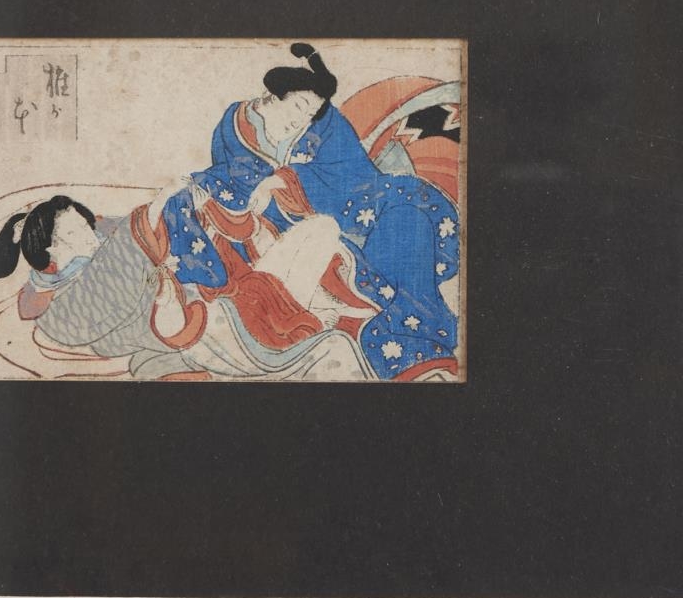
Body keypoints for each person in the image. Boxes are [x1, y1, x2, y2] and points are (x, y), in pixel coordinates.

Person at [157, 43, 461, 381]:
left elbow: (351, 175)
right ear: (271, 95)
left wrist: (284, 180)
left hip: (347, 205)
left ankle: (412, 331)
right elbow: (228, 176)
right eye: (299, 106)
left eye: (309, 114)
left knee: (407, 215)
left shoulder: (324, 122)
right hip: (269, 224)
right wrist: (250, 194)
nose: (301, 119)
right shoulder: (234, 125)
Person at [0, 184, 371, 382]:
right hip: (210, 325)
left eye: (85, 224)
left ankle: (309, 314)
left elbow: (134, 237)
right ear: (50, 248)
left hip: (230, 294)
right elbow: (116, 277)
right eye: (73, 232)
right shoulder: (62, 308)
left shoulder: (104, 247)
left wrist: (191, 210)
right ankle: (309, 319)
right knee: (291, 318)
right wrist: (152, 219)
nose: (88, 235)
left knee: (321, 228)